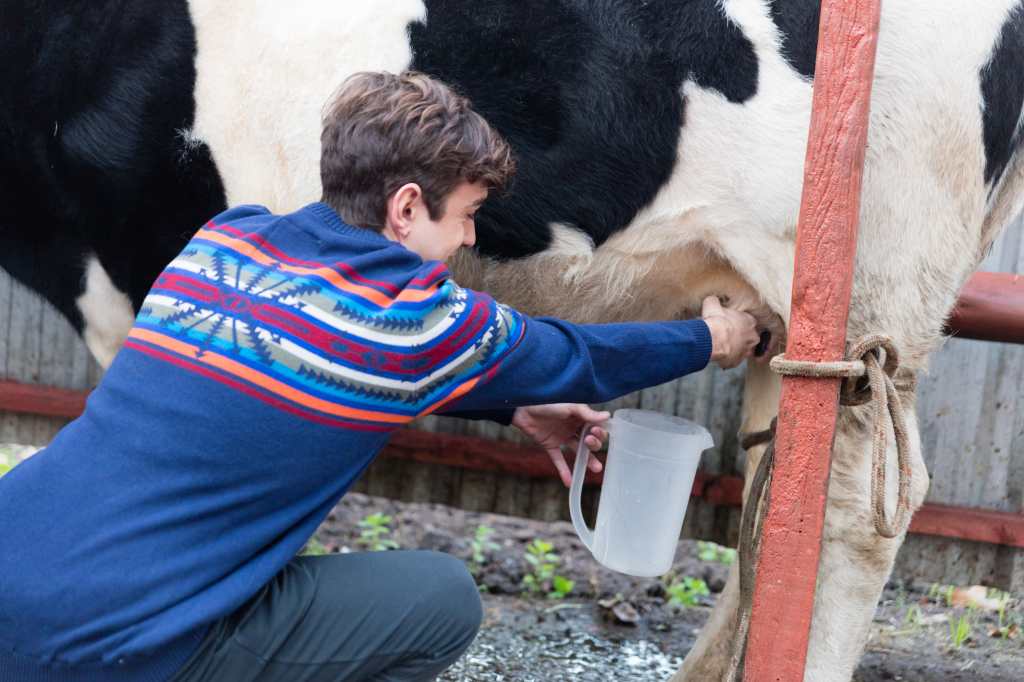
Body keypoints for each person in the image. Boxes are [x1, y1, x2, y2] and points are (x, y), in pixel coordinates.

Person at [0, 71, 759, 682]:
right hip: (113, 651)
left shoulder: (227, 239)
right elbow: (581, 358)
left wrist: (512, 408)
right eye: (466, 213)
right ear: (406, 208)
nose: (470, 236)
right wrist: (712, 337)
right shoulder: (420, 317)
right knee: (443, 599)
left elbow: (329, 364)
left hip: (14, 564)